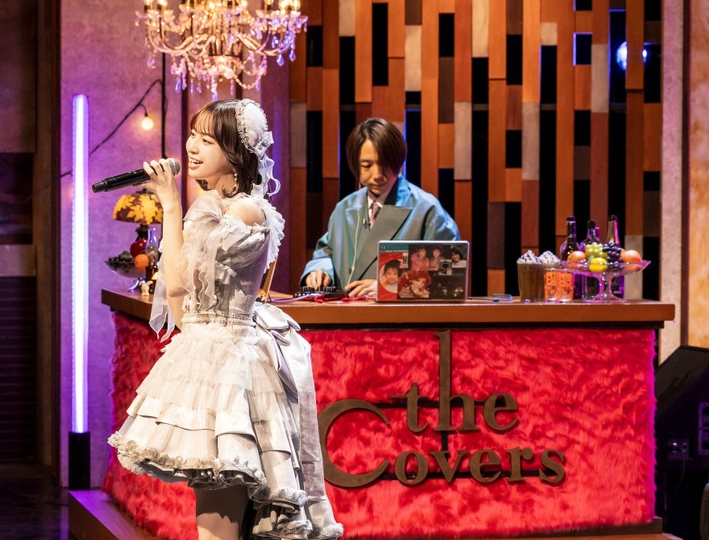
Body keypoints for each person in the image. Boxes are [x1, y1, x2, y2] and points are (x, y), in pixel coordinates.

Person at [108, 99, 343, 540]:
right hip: (206, 356)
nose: (192, 147)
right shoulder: (212, 207)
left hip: (233, 366)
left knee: (221, 517)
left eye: (207, 140)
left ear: (235, 154)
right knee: (214, 513)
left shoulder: (245, 212)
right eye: (193, 135)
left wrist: (170, 205)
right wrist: (176, 209)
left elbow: (178, 282)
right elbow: (182, 306)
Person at [301, 118, 460, 297]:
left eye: (385, 164)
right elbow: (326, 251)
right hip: (346, 312)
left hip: (400, 315)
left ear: (398, 161)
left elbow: (450, 276)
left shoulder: (427, 210)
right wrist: (320, 270)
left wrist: (390, 288)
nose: (377, 175)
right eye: (366, 166)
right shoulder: (344, 208)